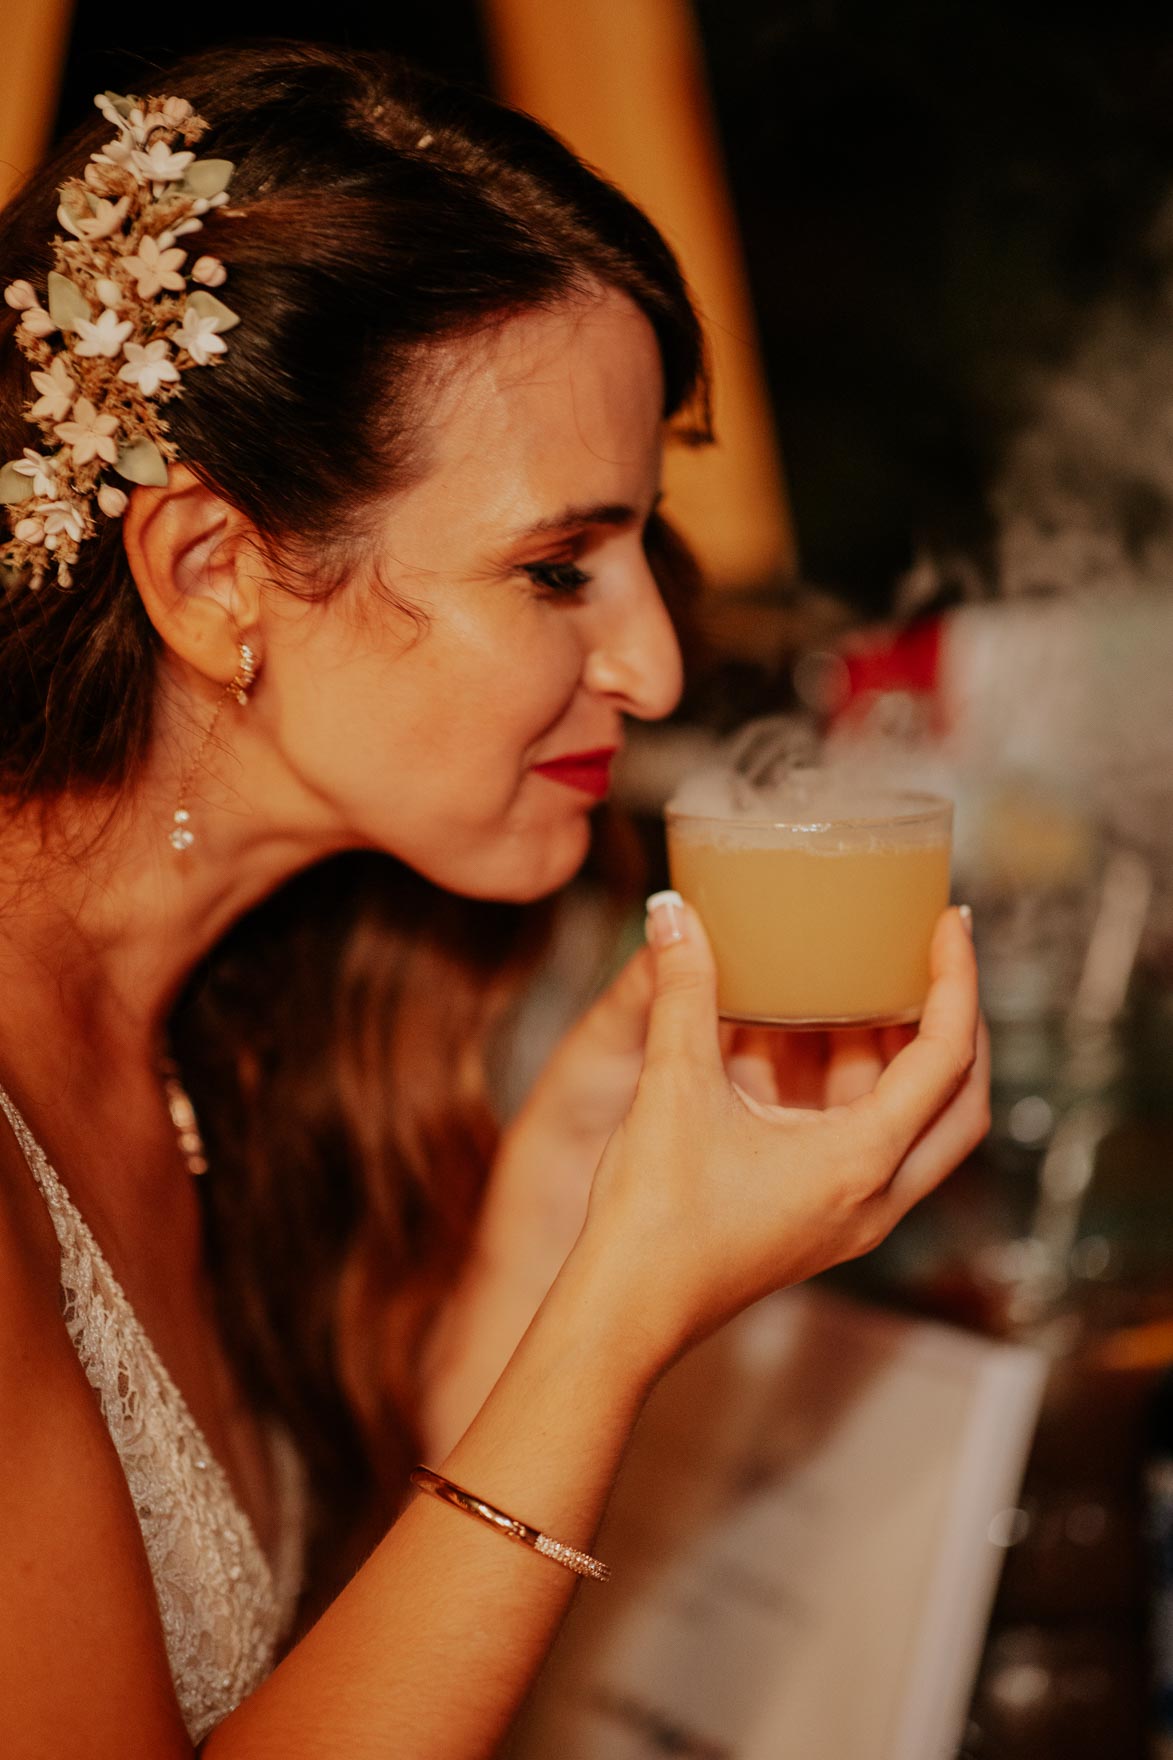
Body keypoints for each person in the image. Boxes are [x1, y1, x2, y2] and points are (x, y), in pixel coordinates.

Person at [0, 40, 989, 1759]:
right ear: (212, 573)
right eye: (554, 567)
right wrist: (613, 1324)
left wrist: (543, 1241)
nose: (658, 664)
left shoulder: (248, 1020)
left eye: (642, 555)